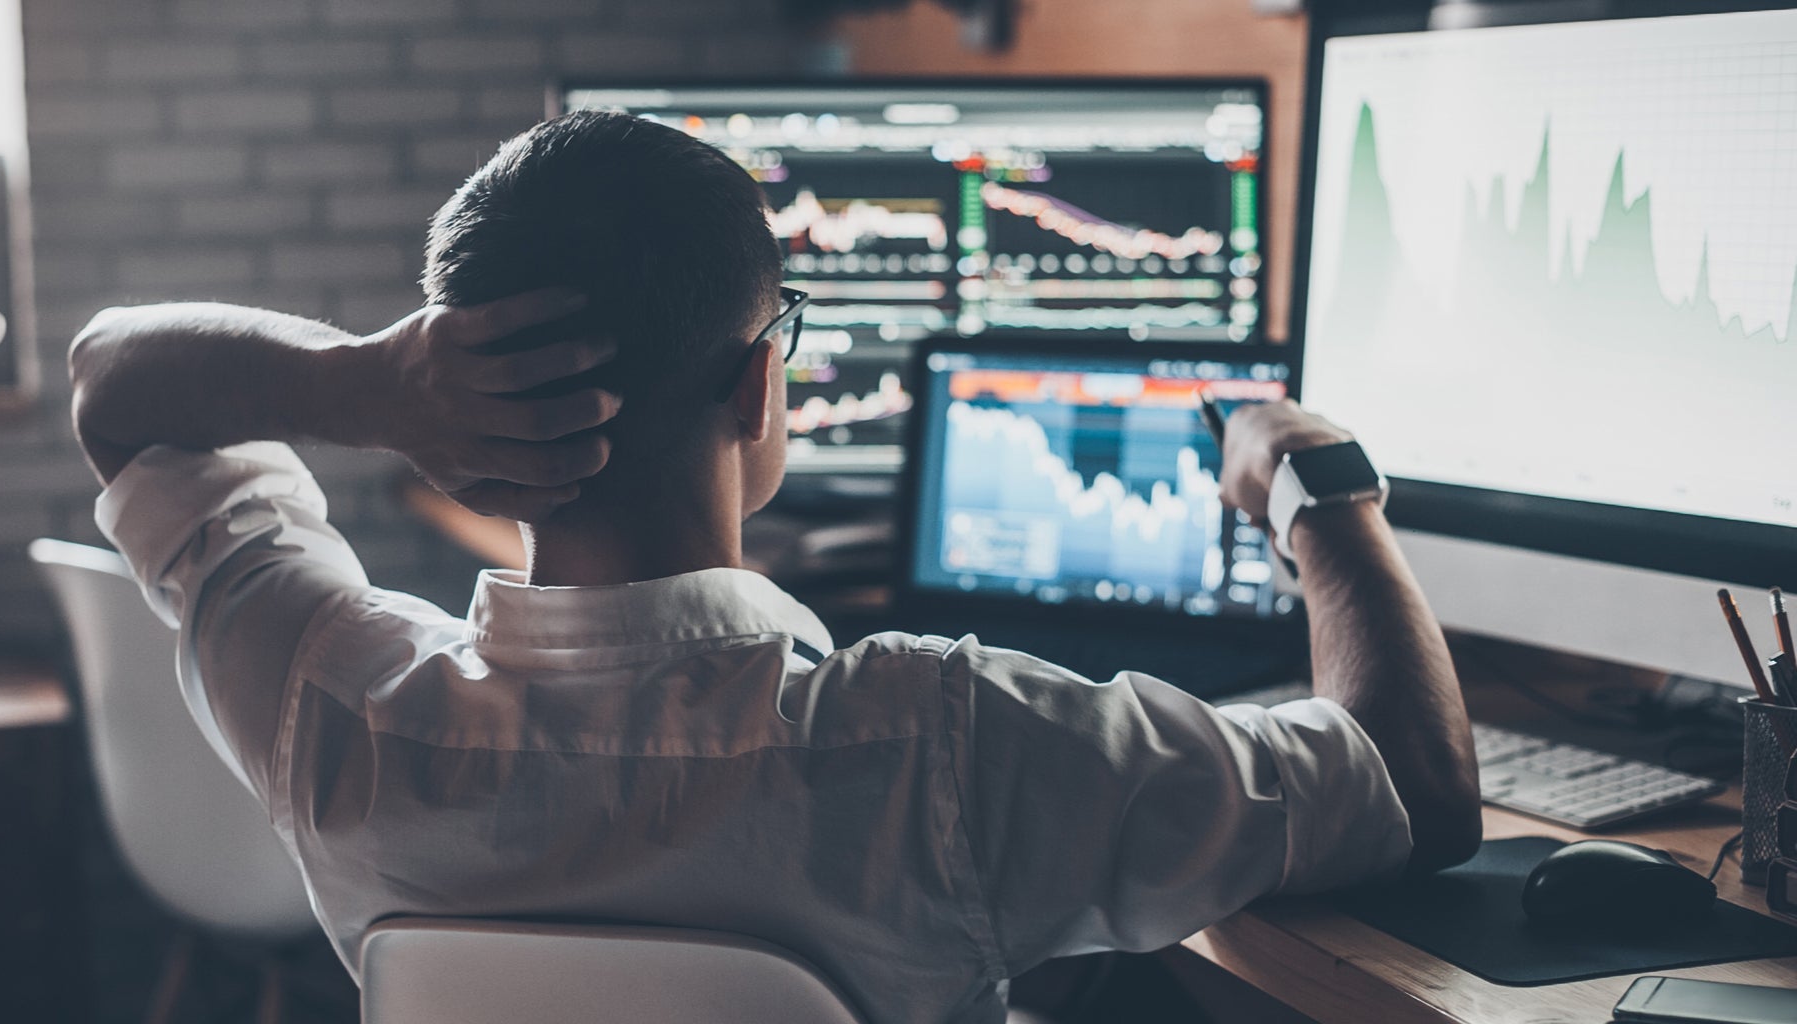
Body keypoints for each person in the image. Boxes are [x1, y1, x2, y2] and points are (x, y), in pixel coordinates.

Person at [71, 110, 1480, 1023]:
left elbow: (114, 385)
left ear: (454, 424)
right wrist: (1318, 486)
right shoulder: (944, 736)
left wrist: (365, 390)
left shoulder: (333, 704)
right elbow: (1415, 785)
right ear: (760, 391)